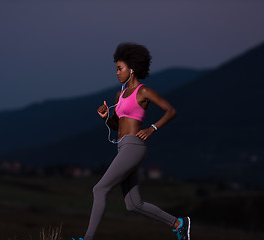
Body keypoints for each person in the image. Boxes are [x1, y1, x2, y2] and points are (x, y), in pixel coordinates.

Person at [73, 43, 190, 240]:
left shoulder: (143, 92)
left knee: (99, 189)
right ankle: (179, 223)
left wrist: (152, 128)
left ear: (132, 69)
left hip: (134, 146)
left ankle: (88, 238)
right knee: (134, 204)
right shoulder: (119, 95)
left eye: (120, 69)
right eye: (116, 69)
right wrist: (105, 118)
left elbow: (171, 111)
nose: (117, 73)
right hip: (122, 147)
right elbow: (117, 126)